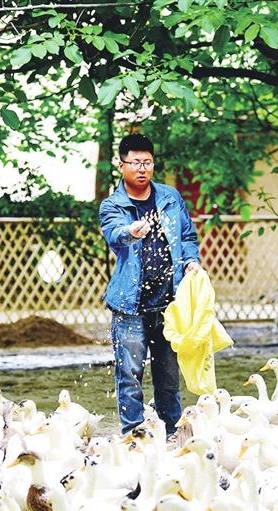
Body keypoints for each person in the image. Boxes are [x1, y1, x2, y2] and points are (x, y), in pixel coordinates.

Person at [98, 133, 202, 438]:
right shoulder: (112, 205)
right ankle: (134, 435)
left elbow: (187, 236)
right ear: (121, 165)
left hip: (171, 302)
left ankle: (171, 434)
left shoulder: (170, 197)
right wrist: (131, 231)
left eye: (147, 162)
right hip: (129, 305)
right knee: (129, 374)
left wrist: (191, 260)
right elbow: (115, 234)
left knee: (168, 377)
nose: (142, 169)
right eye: (135, 163)